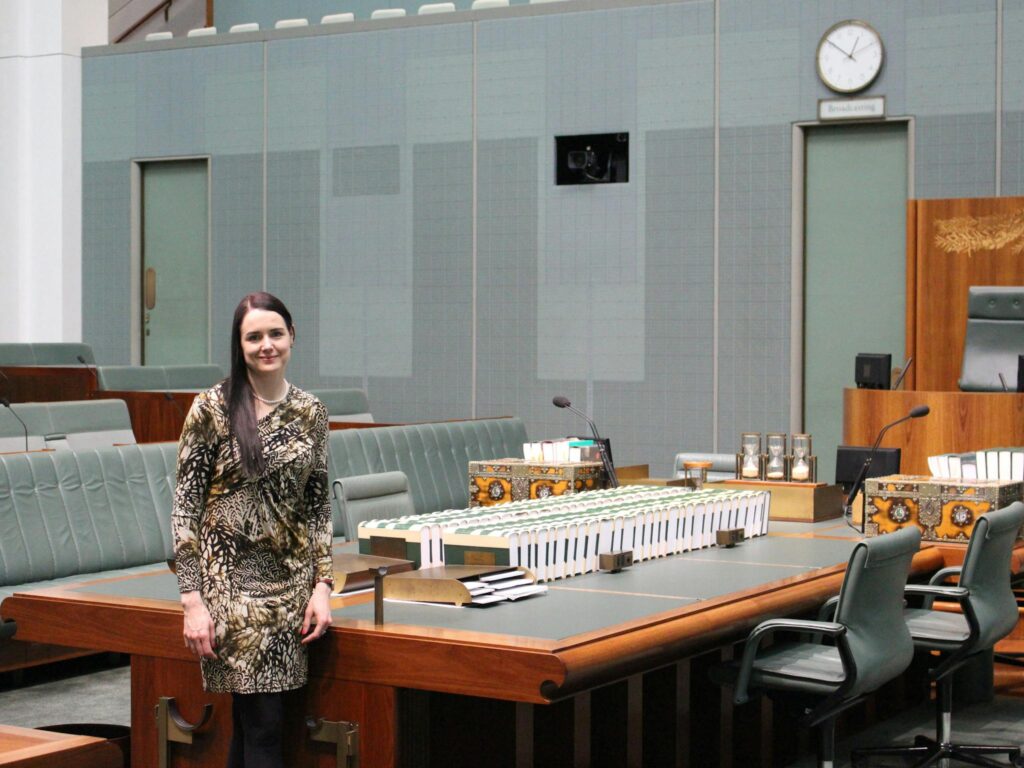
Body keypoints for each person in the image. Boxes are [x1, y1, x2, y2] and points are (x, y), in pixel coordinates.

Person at [171, 292, 334, 768]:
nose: (267, 345)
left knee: (254, 726)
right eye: (254, 336)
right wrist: (191, 600)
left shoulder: (311, 411)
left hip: (292, 591)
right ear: (239, 345)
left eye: (275, 334)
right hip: (231, 591)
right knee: (263, 726)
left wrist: (323, 586)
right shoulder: (211, 407)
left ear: (292, 336)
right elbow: (185, 508)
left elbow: (318, 506)